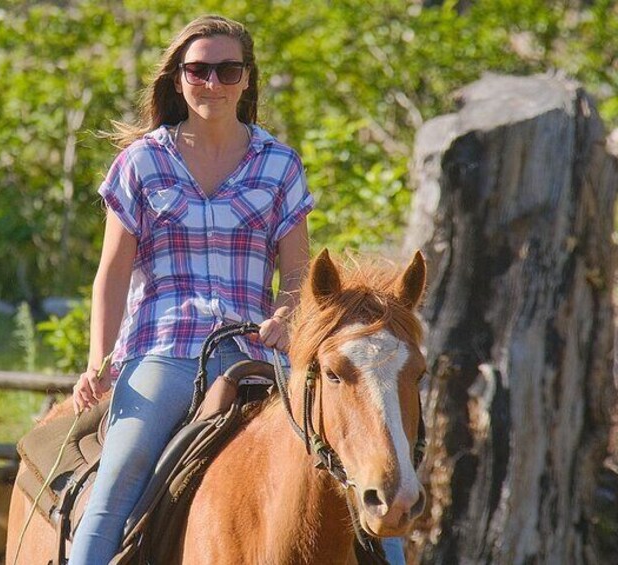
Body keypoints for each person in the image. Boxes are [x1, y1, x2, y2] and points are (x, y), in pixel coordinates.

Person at [68, 14, 404, 565]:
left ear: (247, 79)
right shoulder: (141, 162)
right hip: (163, 353)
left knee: (359, 460)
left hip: (259, 354)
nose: (213, 84)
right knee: (119, 475)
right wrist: (99, 361)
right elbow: (111, 275)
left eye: (228, 71)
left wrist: (285, 317)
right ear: (178, 78)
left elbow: (298, 277)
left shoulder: (280, 164)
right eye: (199, 70)